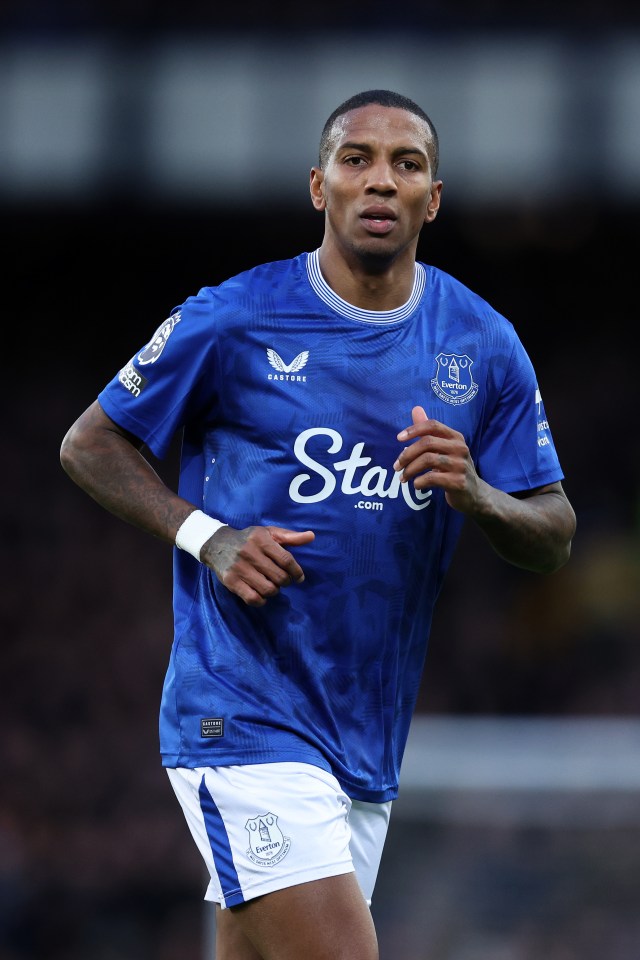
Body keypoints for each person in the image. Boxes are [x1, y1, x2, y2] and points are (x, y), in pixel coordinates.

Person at [60, 89, 576, 960]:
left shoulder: (483, 344)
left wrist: (479, 494)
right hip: (242, 713)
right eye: (357, 160)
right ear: (319, 186)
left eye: (406, 165)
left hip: (363, 740)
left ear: (433, 198)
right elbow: (90, 443)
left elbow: (554, 532)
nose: (380, 181)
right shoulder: (233, 317)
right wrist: (209, 537)